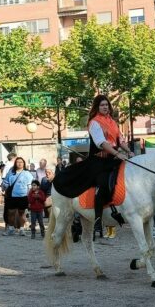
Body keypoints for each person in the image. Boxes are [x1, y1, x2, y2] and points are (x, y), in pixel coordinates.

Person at [52, 95, 132, 228]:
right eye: (102, 105)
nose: (105, 107)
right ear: (97, 107)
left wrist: (129, 151)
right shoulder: (94, 122)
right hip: (98, 161)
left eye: (106, 105)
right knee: (103, 183)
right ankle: (98, 218)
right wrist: (117, 153)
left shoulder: (112, 122)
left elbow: (120, 140)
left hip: (113, 159)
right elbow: (102, 143)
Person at [1, 156, 33, 236]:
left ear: (24, 164)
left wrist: (29, 196)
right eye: (18, 162)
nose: (19, 163)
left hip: (23, 196)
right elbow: (5, 182)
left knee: (22, 213)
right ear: (15, 163)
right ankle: (11, 229)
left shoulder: (27, 173)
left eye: (21, 162)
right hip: (12, 196)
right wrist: (4, 187)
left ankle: (22, 229)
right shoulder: (11, 173)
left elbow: (30, 186)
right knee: (10, 213)